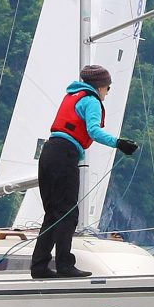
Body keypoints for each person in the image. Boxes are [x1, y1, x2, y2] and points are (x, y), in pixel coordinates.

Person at [34, 64, 138, 279]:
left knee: (52, 214)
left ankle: (39, 267)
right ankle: (65, 265)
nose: (107, 92)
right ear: (100, 86)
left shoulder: (72, 96)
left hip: (49, 152)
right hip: (64, 155)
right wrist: (119, 143)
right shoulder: (91, 100)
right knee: (68, 213)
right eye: (108, 88)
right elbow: (94, 131)